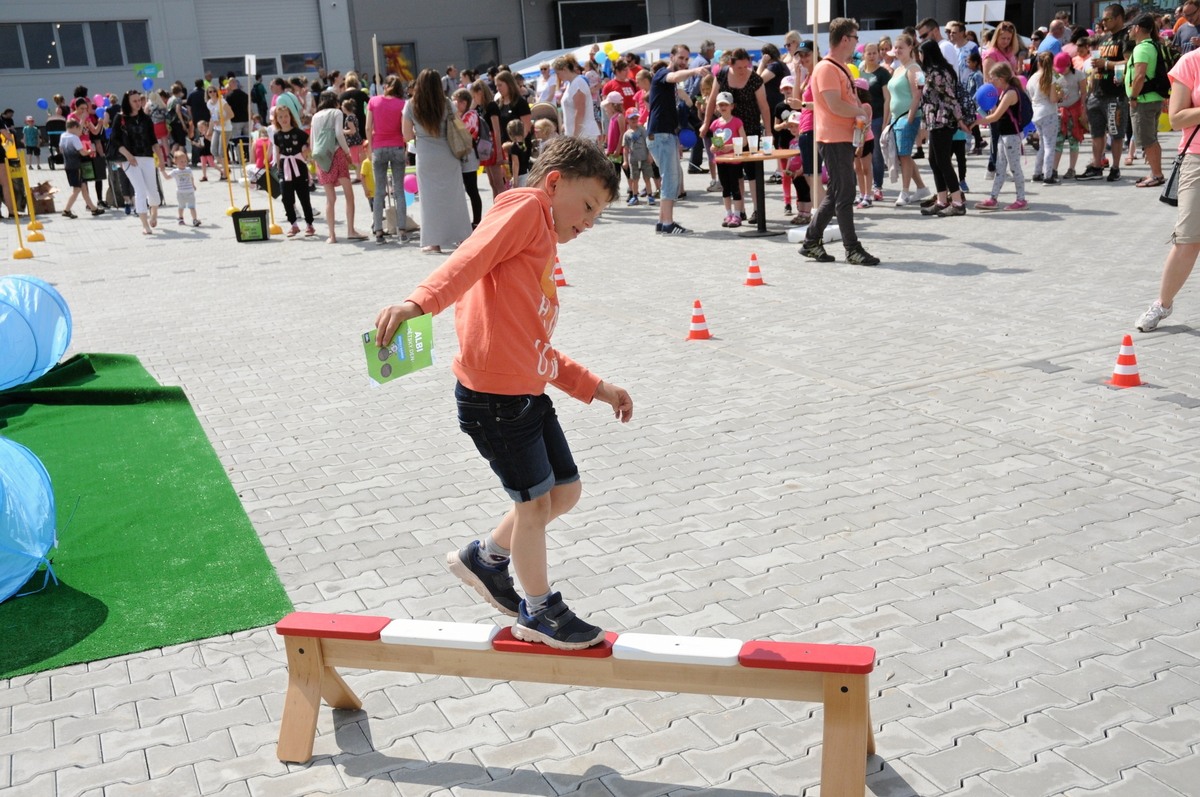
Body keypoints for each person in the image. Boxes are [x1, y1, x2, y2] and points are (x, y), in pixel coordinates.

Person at [371, 137, 627, 650]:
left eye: (598, 214)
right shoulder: (526, 209)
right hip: (495, 400)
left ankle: (485, 559)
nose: (589, 222)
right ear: (554, 183)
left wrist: (596, 387)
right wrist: (417, 303)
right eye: (588, 206)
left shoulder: (541, 239)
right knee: (533, 507)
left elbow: (533, 346)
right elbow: (468, 258)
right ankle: (539, 612)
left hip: (525, 395)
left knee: (564, 492)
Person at [798, 17, 880, 266]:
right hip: (833, 138)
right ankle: (852, 248)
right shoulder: (826, 68)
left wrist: (859, 113)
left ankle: (811, 241)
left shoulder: (838, 67)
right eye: (855, 38)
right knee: (845, 193)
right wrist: (860, 111)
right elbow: (834, 104)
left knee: (836, 192)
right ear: (845, 39)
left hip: (841, 137)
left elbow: (842, 102)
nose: (857, 43)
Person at [1137, 44, 1200, 331]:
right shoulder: (1191, 62)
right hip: (1197, 159)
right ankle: (1162, 304)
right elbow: (1175, 119)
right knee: (1188, 238)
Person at [403, 68, 473, 253]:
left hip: (426, 155)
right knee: (455, 197)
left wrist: (419, 133)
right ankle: (462, 237)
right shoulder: (447, 103)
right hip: (448, 153)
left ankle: (434, 242)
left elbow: (406, 135)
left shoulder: (411, 105)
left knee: (429, 200)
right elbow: (458, 124)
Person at [648, 46, 707, 235]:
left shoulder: (671, 84)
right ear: (671, 57)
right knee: (670, 178)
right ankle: (667, 223)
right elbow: (673, 76)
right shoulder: (662, 73)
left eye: (686, 59)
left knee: (670, 178)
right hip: (661, 135)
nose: (683, 61)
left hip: (666, 135)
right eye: (681, 58)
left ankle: (662, 222)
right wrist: (694, 71)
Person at [916, 40, 972, 216]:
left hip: (943, 121)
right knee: (934, 161)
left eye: (920, 53)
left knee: (943, 162)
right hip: (935, 122)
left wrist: (960, 119)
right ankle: (942, 200)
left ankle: (957, 202)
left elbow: (950, 97)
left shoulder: (937, 73)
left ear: (927, 54)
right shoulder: (934, 72)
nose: (919, 56)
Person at [1080, 4, 1131, 181]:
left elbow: (1129, 62)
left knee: (1116, 133)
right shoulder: (1104, 39)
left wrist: (1106, 64)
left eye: (1107, 19)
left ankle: (1115, 168)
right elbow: (1098, 63)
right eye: (1102, 19)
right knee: (1096, 133)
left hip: (1115, 94)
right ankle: (1096, 165)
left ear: (1119, 18)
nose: (1103, 22)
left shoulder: (1126, 37)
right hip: (1097, 92)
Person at [310, 91, 364, 243]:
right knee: (349, 194)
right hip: (337, 154)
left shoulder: (315, 116)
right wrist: (347, 152)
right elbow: (339, 134)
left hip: (321, 157)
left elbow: (313, 140)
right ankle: (351, 231)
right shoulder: (337, 113)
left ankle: (332, 235)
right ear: (335, 102)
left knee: (330, 199)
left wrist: (315, 158)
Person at [974, 63, 1029, 211]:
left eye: (993, 78)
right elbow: (997, 114)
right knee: (1000, 167)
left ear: (1002, 78)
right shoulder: (1004, 92)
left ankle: (1021, 200)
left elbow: (996, 116)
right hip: (1004, 135)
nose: (991, 81)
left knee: (1015, 168)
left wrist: (975, 122)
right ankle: (993, 198)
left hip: (1011, 136)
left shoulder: (1010, 93)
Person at [889, 33, 931, 206]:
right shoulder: (898, 68)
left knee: (904, 154)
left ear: (910, 48)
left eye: (901, 47)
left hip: (907, 117)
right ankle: (921, 188)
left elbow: (918, 95)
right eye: (896, 47)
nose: (897, 50)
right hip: (896, 118)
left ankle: (905, 191)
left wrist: (910, 118)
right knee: (903, 155)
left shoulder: (914, 68)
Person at [1127, 13, 1169, 188]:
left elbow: (1139, 75)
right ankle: (1155, 172)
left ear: (1137, 28)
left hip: (1143, 100)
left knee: (1147, 140)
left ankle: (1157, 175)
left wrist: (1133, 96)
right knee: (1151, 138)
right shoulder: (1152, 45)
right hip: (1151, 98)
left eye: (1131, 27)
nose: (1129, 31)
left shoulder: (1142, 48)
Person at [111, 90, 161, 234]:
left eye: (139, 100)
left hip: (147, 157)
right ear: (127, 102)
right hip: (129, 159)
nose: (138, 103)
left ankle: (154, 213)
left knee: (153, 189)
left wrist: (161, 159)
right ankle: (145, 225)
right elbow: (115, 140)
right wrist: (127, 155)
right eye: (134, 101)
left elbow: (153, 140)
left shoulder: (146, 118)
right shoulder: (120, 118)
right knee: (140, 190)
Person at [367, 75, 409, 244]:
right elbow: (404, 130)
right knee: (399, 191)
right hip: (397, 146)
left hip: (378, 147)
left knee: (379, 191)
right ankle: (402, 231)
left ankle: (378, 231)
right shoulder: (402, 104)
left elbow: (368, 127)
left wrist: (370, 147)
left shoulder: (373, 101)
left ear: (385, 86)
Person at [271, 104, 315, 238]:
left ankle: (309, 224)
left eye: (286, 116)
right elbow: (277, 153)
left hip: (299, 166)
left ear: (290, 117)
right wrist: (278, 169)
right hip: (285, 168)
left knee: (304, 197)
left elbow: (311, 142)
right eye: (280, 117)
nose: (284, 119)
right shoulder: (276, 135)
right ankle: (294, 224)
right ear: (276, 119)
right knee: (286, 197)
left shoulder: (298, 132)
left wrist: (305, 151)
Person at [710, 91, 746, 227]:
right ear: (717, 107)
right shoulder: (715, 124)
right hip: (720, 160)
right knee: (725, 188)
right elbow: (715, 141)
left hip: (734, 160)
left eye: (725, 104)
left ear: (732, 106)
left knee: (735, 187)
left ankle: (737, 214)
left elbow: (744, 141)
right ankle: (728, 213)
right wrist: (714, 147)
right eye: (720, 105)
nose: (723, 107)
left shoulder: (737, 122)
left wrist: (730, 146)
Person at [1028, 51, 1065, 182]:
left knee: (1042, 145)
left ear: (1038, 62)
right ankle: (1048, 175)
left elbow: (1031, 95)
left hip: (1036, 113)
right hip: (1048, 113)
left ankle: (1037, 172)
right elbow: (1053, 99)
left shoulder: (1032, 78)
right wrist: (1060, 95)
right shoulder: (1050, 78)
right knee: (1050, 145)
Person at [1053, 51, 1089, 180]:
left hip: (1074, 111)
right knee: (1058, 141)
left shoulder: (1079, 75)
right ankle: (1053, 169)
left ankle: (1071, 168)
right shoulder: (1055, 75)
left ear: (1069, 65)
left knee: (1074, 141)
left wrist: (1083, 110)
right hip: (1059, 111)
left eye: (1063, 68)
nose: (1061, 71)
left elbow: (1084, 93)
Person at [58, 119, 103, 219]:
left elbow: (61, 149)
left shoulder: (63, 135)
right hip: (75, 166)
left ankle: (93, 209)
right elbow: (82, 152)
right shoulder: (74, 138)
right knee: (77, 189)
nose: (80, 132)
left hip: (68, 165)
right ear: (74, 127)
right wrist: (90, 151)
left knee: (83, 187)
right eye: (79, 129)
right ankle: (66, 210)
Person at [453, 88, 484, 229]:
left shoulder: (470, 115)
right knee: (468, 189)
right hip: (465, 155)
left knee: (472, 189)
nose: (454, 104)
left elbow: (461, 131)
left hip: (469, 155)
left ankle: (477, 220)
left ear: (464, 103)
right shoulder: (466, 114)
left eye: (457, 101)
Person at [471, 79, 506, 198]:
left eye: (474, 96)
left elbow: (496, 130)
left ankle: (503, 205)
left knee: (498, 182)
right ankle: (496, 205)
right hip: (485, 143)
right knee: (492, 182)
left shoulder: (491, 106)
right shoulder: (480, 107)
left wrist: (499, 152)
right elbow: (469, 115)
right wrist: (473, 105)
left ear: (480, 92)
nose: (474, 99)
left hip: (493, 143)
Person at [554, 55, 600, 141]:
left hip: (583, 135)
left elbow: (580, 112)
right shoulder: (570, 84)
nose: (558, 76)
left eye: (558, 73)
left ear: (564, 69)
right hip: (576, 133)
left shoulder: (578, 83)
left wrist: (575, 136)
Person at [161, 148, 200, 226]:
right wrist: (163, 171)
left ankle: (195, 220)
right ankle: (181, 218)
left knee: (192, 207)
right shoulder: (175, 171)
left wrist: (193, 185)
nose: (184, 163)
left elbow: (191, 177)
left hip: (190, 192)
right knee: (181, 206)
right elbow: (167, 177)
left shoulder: (188, 170)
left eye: (185, 161)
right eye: (181, 161)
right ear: (175, 162)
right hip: (181, 193)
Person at [504, 119, 532, 188]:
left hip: (519, 176)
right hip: (526, 174)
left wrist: (515, 180)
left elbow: (516, 164)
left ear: (510, 133)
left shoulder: (514, 147)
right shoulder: (525, 144)